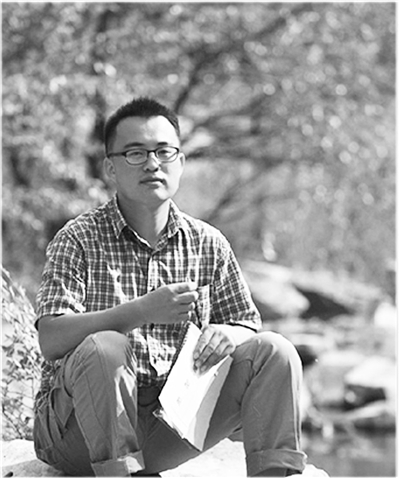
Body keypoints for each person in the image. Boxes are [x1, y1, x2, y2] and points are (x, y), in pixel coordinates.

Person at [33, 97, 307, 477]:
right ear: (110, 167)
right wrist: (140, 311)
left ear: (181, 162)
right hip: (76, 434)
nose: (152, 164)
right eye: (135, 153)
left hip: (169, 426)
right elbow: (51, 339)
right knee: (106, 348)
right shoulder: (77, 239)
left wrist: (228, 334)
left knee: (275, 351)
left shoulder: (208, 243)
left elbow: (247, 324)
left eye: (164, 151)